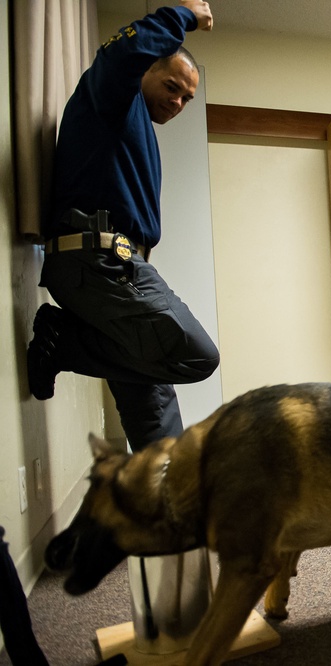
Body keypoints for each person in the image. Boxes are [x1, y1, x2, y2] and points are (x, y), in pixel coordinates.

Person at [26, 1, 219, 452]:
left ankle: (163, 507)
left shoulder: (132, 125)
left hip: (112, 268)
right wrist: (183, 14)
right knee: (196, 354)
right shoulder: (114, 96)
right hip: (99, 263)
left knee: (155, 416)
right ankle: (64, 343)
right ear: (146, 70)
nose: (178, 103)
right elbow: (119, 55)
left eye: (187, 98)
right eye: (172, 87)